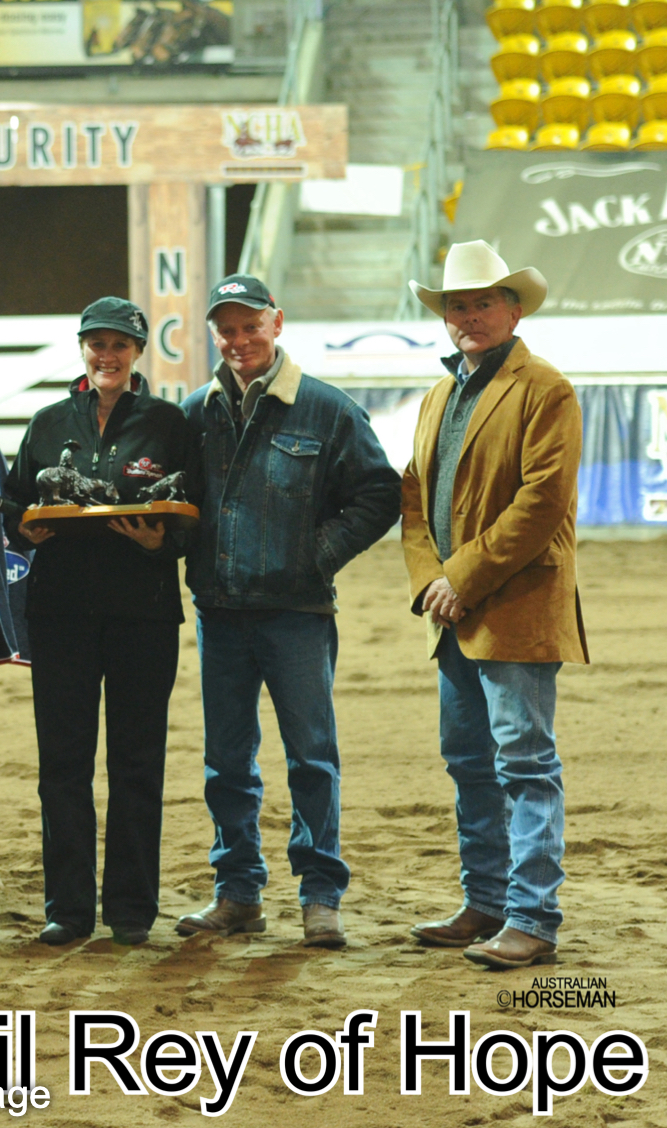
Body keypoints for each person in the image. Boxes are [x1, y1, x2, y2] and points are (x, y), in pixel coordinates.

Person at [179, 274, 400, 949]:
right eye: (227, 330)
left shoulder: (327, 410)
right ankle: (238, 893)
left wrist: (316, 555)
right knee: (226, 762)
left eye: (251, 326)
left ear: (276, 323)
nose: (239, 340)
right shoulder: (195, 413)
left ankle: (320, 896)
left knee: (312, 758)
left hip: (298, 613)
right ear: (215, 336)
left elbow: (379, 493)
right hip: (221, 612)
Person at [400, 241, 586, 971]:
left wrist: (460, 578)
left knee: (524, 764)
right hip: (455, 611)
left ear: (513, 311)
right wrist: (430, 581)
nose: (468, 316)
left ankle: (532, 918)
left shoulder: (545, 388)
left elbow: (542, 503)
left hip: (512, 607)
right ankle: (485, 901)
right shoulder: (439, 396)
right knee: (471, 763)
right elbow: (413, 498)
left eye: (482, 303)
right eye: (457, 305)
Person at [3, 298, 203, 947]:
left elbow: (194, 510)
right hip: (59, 614)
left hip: (142, 613)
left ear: (138, 352)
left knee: (137, 762)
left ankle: (130, 909)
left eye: (119, 345)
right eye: (97, 344)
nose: (107, 356)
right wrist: (25, 531)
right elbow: (15, 505)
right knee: (62, 764)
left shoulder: (168, 423)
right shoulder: (47, 423)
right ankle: (67, 907)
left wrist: (161, 543)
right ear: (83, 349)